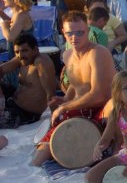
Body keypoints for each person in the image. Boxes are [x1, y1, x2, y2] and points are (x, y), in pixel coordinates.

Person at [32, 11, 114, 166]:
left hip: (103, 108)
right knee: (42, 153)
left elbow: (98, 95)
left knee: (114, 106)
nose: (74, 37)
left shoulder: (98, 53)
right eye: (70, 33)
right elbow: (75, 84)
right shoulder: (68, 54)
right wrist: (64, 100)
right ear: (63, 32)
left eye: (80, 33)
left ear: (88, 31)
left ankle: (113, 149)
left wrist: (65, 107)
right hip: (81, 107)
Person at [0, 34, 57, 129]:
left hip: (25, 114)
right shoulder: (22, 59)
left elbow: (51, 94)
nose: (20, 55)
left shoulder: (42, 63)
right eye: (17, 52)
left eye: (24, 51)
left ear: (35, 49)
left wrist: (55, 119)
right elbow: (1, 70)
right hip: (11, 102)